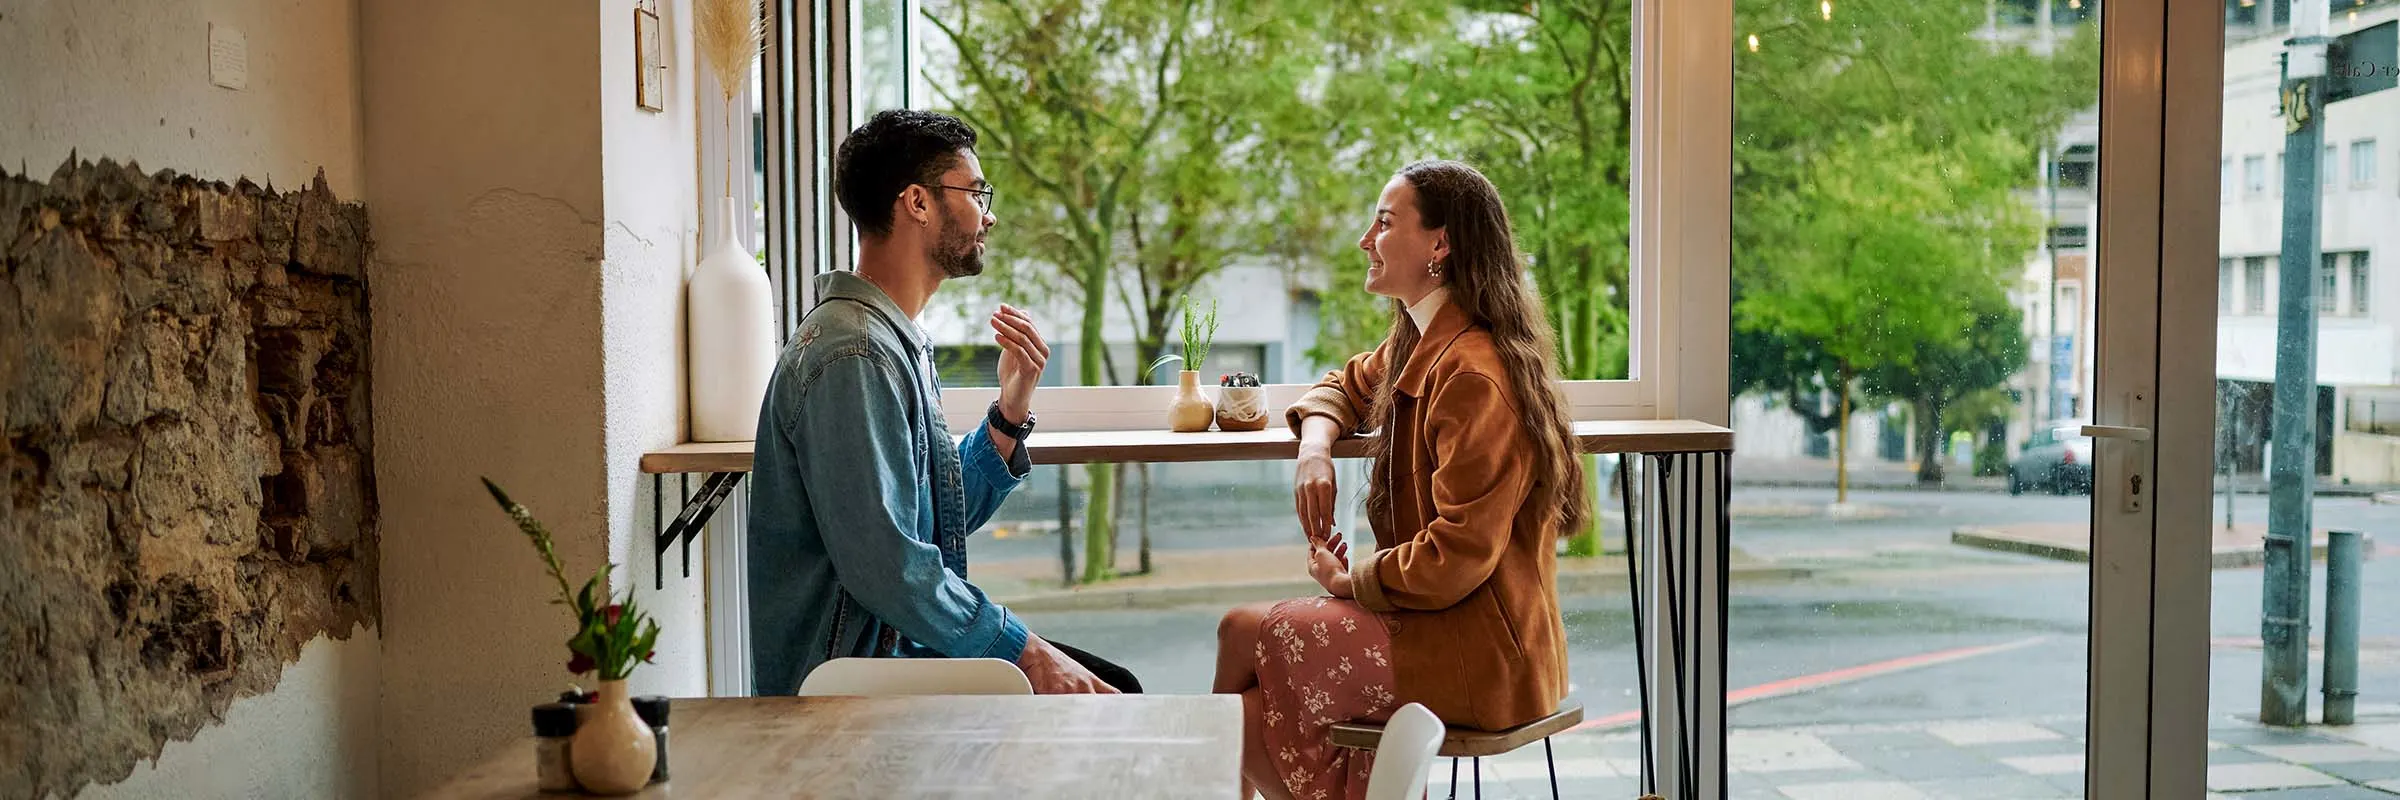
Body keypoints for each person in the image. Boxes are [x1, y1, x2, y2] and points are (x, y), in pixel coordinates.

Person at [1213, 160, 1588, 799]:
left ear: (1439, 245)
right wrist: (1315, 447)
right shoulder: (1423, 341)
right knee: (1240, 710)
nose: (1366, 239)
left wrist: (1350, 581)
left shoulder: (1472, 374)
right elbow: (1341, 385)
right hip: (1436, 624)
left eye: (1384, 223)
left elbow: (1457, 555)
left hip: (1477, 654)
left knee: (1240, 650)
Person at [747, 109, 1136, 696]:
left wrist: (1009, 413)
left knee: (1114, 687)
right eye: (976, 192)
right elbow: (889, 569)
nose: (990, 213)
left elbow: (930, 524)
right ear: (918, 203)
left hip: (896, 653)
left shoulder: (885, 340)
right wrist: (1025, 652)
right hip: (855, 681)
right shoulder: (854, 355)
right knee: (1109, 700)